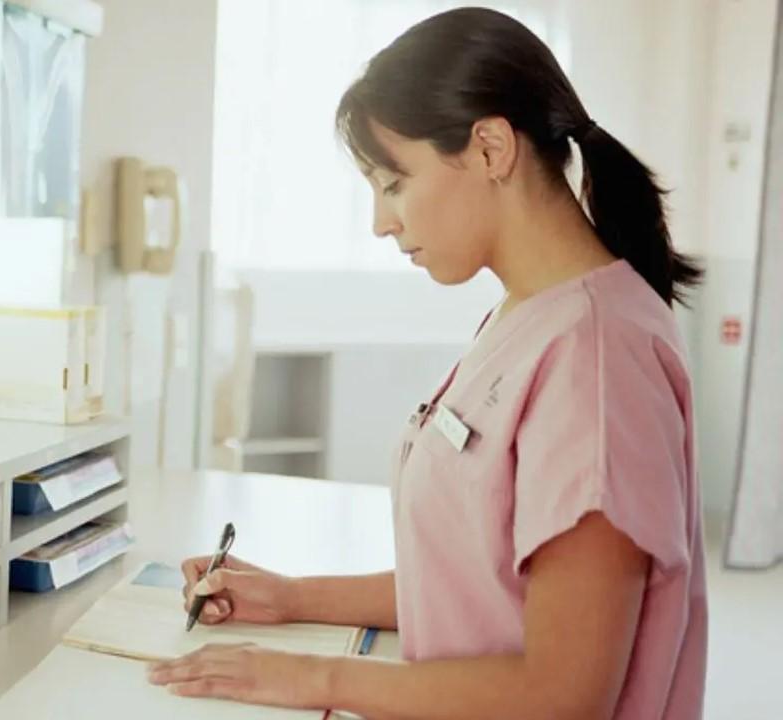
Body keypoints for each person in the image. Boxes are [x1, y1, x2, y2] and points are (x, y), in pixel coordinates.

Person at [147, 8, 707, 719]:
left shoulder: (597, 361)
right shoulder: (526, 317)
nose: (382, 220)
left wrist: (310, 678)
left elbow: (564, 696)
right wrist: (291, 597)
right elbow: (478, 584)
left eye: (393, 182)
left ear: (490, 148)